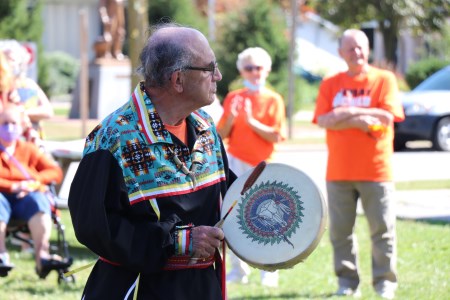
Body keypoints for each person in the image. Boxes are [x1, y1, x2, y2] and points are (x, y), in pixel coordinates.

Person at [68, 23, 236, 300]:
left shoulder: (205, 127)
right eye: (209, 68)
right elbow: (95, 226)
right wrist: (177, 241)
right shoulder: (114, 138)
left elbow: (224, 194)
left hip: (202, 286)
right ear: (177, 80)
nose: (218, 75)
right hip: (139, 287)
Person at [312, 29, 405, 299]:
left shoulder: (384, 79)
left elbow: (387, 117)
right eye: (350, 48)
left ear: (369, 50)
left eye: (361, 47)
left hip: (376, 170)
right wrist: (361, 118)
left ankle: (384, 282)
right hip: (339, 172)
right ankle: (347, 283)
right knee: (341, 233)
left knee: (382, 231)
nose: (357, 53)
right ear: (341, 53)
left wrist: (344, 113)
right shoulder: (331, 83)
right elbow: (324, 120)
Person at [217, 47, 286, 287]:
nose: (254, 72)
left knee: (270, 217)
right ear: (241, 71)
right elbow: (220, 135)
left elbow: (277, 136)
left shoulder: (274, 99)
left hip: (265, 166)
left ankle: (269, 270)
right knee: (235, 215)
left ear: (266, 70)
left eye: (258, 67)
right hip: (236, 164)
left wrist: (252, 122)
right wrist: (233, 119)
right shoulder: (233, 97)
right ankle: (238, 270)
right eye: (249, 68)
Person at [0, 103, 67, 278]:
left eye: (13, 123)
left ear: (21, 126)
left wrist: (33, 182)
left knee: (38, 201)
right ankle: (1, 255)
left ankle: (42, 257)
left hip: (26, 198)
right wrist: (13, 186)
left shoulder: (28, 149)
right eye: (4, 122)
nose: (9, 127)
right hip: (2, 197)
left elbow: (55, 171)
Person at [1, 40, 54, 145]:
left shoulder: (27, 84)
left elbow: (47, 111)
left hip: (30, 138)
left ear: (20, 62)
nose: (8, 64)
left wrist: (23, 113)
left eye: (11, 59)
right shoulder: (2, 87)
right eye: (5, 59)